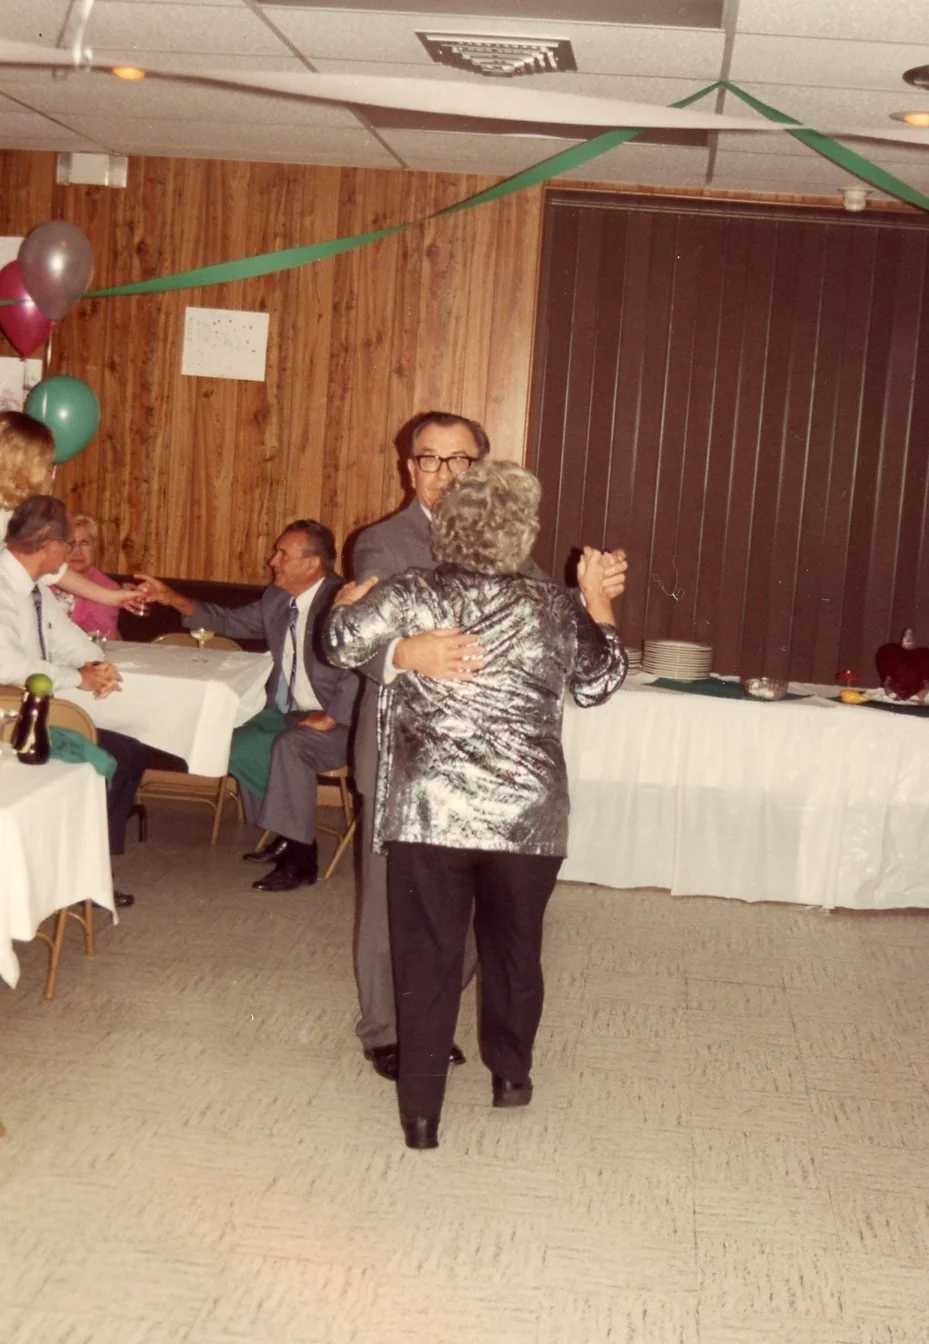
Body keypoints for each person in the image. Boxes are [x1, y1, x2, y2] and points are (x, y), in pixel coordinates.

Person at [325, 460, 627, 1149]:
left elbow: (339, 644)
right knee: (516, 950)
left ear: (450, 529)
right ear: (522, 533)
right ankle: (511, 1077)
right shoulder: (552, 606)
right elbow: (599, 682)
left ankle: (421, 1116)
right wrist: (597, 601)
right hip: (527, 816)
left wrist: (346, 604)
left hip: (429, 814)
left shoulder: (411, 592)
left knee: (426, 959)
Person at [138, 521, 359, 892]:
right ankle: (286, 831)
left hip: (345, 721)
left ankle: (302, 857)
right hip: (290, 711)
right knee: (235, 743)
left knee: (291, 748)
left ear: (312, 564)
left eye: (283, 555)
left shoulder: (344, 601)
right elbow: (229, 621)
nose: (273, 561)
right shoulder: (277, 599)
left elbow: (362, 666)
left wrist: (334, 713)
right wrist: (172, 597)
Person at [0, 496, 149, 908]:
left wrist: (95, 663)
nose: (71, 555)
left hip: (36, 709)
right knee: (103, 759)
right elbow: (6, 663)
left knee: (129, 753)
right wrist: (77, 678)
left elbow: (62, 633)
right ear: (48, 545)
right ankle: (57, 873)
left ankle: (89, 870)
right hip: (9, 717)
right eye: (69, 542)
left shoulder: (33, 586)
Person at [0, 411, 141, 617]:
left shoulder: (19, 515)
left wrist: (113, 597)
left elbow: (54, 571)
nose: (52, 473)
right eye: (48, 465)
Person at [52, 512, 121, 640]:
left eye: (84, 543)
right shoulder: (44, 580)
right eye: (71, 544)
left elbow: (101, 627)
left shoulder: (107, 587)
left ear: (95, 546)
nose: (77, 551)